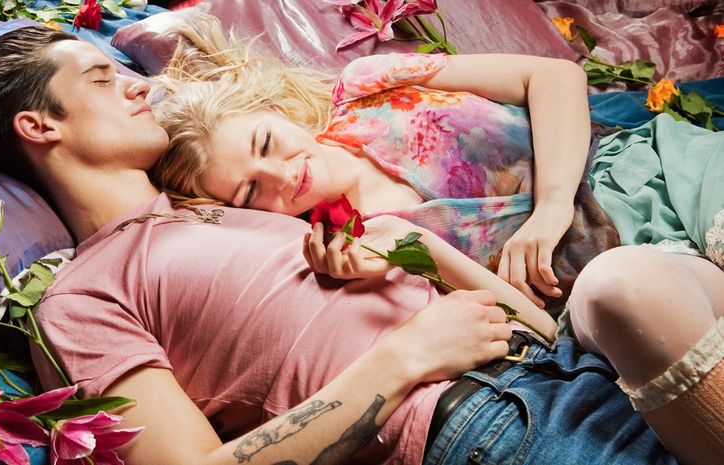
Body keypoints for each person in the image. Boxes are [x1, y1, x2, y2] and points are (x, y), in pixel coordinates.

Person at [0, 25, 685, 465]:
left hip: (564, 366)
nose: (139, 88)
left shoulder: (214, 207)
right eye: (102, 78)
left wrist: (425, 265)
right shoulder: (82, 293)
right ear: (39, 126)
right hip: (475, 421)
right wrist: (404, 356)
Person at [149, 14, 724, 464]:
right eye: (251, 193)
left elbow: (553, 75)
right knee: (633, 300)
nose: (281, 176)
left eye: (266, 143)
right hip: (611, 281)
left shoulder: (366, 87)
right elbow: (541, 332)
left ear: (277, 112)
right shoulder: (362, 245)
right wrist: (416, 249)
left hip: (649, 174)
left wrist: (551, 207)